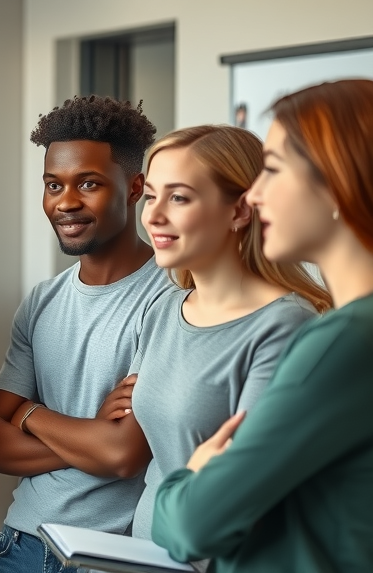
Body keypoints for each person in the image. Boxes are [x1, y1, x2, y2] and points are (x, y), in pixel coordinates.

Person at [152, 79, 373, 571]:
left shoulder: (342, 340)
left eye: (273, 170)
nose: (255, 194)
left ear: (337, 182)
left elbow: (193, 525)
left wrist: (185, 482)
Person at [0, 96, 168, 573]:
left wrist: (27, 411)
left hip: (109, 555)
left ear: (134, 186)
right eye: (52, 185)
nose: (66, 201)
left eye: (88, 183)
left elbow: (121, 454)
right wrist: (89, 435)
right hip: (22, 543)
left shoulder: (172, 297)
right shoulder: (42, 300)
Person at [126, 125, 329, 540]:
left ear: (240, 210)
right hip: (138, 556)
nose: (153, 215)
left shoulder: (284, 325)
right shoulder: (163, 310)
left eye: (178, 197)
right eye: (151, 196)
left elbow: (243, 488)